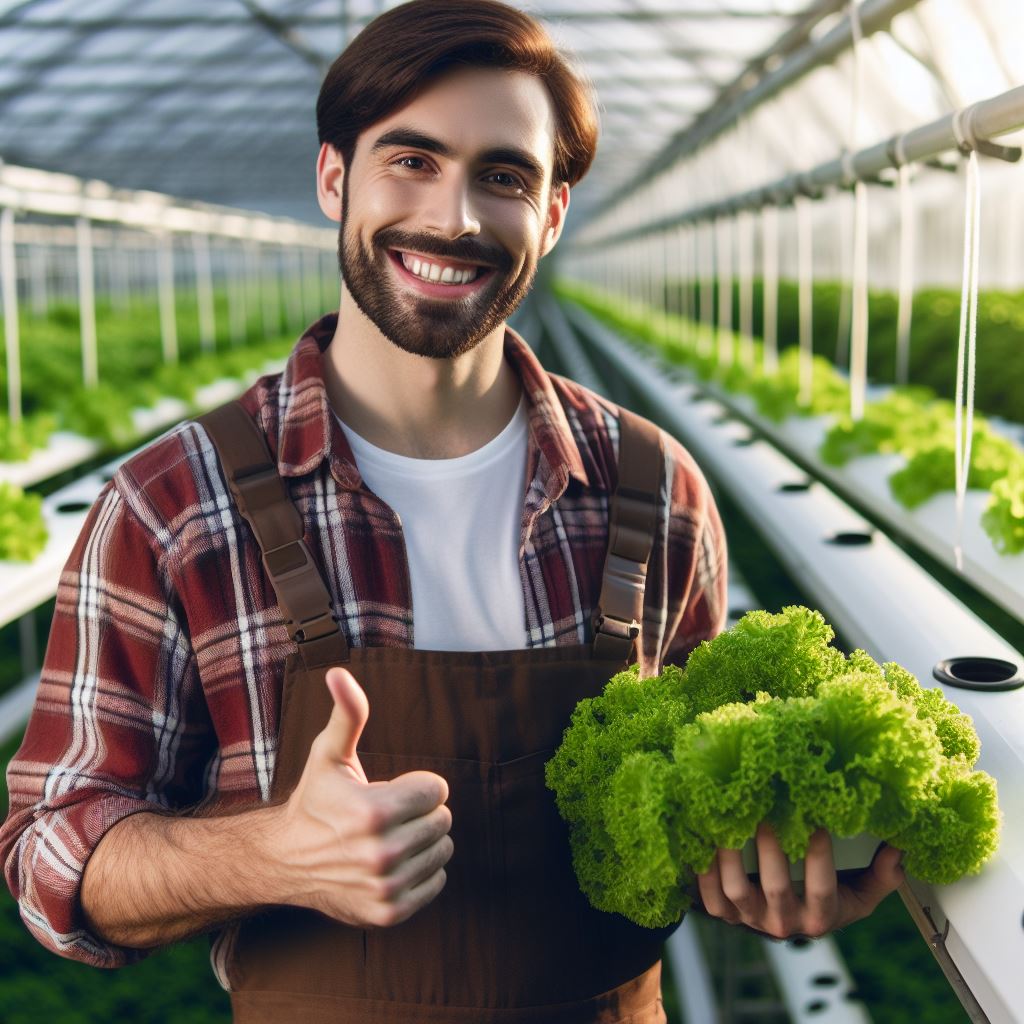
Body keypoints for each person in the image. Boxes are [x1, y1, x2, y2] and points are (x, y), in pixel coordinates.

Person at [0, 1, 904, 1020]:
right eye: (412, 160)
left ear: (553, 212)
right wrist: (269, 851)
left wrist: (769, 862)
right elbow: (50, 848)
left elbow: (695, 822)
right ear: (334, 177)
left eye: (503, 175)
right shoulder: (175, 506)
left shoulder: (653, 493)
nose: (455, 219)